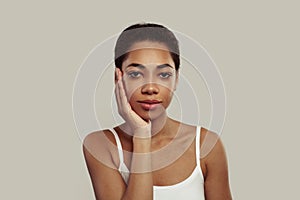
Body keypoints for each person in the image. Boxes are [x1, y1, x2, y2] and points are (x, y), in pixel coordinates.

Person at [83, 23, 232, 200]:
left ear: (176, 79)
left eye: (163, 75)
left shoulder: (206, 145)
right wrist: (141, 135)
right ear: (118, 78)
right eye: (136, 74)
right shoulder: (100, 145)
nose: (151, 87)